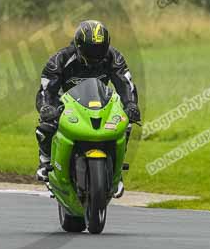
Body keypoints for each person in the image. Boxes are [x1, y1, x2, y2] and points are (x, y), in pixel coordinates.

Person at [35, 20, 140, 197]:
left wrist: (130, 104)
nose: (96, 55)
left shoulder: (114, 57)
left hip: (101, 102)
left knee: (125, 124)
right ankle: (45, 162)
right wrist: (47, 107)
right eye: (91, 51)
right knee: (46, 126)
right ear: (78, 46)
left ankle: (116, 172)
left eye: (100, 50)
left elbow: (125, 83)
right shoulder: (60, 59)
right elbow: (47, 89)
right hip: (66, 103)